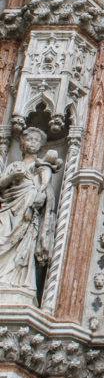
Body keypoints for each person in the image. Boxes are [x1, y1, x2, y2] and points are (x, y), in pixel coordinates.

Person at [0, 128, 59, 303]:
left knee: (24, 246)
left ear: (40, 146)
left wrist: (41, 195)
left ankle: (17, 282)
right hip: (9, 209)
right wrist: (11, 178)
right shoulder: (14, 166)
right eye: (29, 140)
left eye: (36, 141)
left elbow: (45, 188)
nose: (32, 143)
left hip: (28, 213)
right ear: (22, 144)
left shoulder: (41, 166)